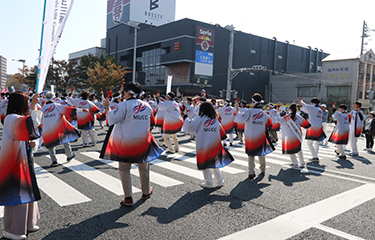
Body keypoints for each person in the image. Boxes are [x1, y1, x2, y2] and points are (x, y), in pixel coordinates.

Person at [100, 83, 164, 207]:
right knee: (144, 168)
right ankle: (145, 192)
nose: (123, 94)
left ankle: (128, 197)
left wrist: (107, 106)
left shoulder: (123, 105)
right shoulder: (147, 106)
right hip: (143, 141)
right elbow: (151, 123)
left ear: (129, 93)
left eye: (124, 92)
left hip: (126, 142)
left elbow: (111, 120)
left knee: (124, 169)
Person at [0, 92, 41, 240]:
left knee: (28, 189)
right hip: (14, 161)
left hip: (24, 158)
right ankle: (13, 230)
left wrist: (31, 145)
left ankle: (29, 222)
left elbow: (31, 133)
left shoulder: (14, 118)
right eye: (26, 101)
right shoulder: (11, 118)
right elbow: (31, 128)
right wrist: (34, 106)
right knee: (17, 194)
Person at [183, 102, 234, 188]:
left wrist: (186, 118)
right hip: (215, 145)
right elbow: (222, 134)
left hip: (203, 145)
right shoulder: (215, 120)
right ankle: (220, 181)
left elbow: (188, 126)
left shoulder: (199, 119)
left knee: (205, 164)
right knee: (214, 163)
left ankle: (209, 182)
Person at [235, 93, 274, 179]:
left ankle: (251, 172)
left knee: (251, 155)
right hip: (261, 136)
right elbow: (269, 124)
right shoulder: (263, 113)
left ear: (253, 101)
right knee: (261, 154)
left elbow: (239, 119)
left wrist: (237, 108)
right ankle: (263, 170)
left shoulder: (249, 112)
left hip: (250, 136)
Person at [39, 91, 82, 167]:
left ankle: (54, 161)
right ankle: (69, 156)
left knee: (51, 146)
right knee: (65, 140)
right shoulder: (57, 106)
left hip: (47, 130)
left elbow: (37, 120)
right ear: (54, 98)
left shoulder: (42, 109)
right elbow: (70, 110)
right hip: (59, 128)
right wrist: (82, 110)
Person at [276, 104, 311, 168]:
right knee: (299, 150)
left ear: (290, 109)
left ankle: (295, 163)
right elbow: (307, 125)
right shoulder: (298, 116)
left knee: (291, 151)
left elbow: (277, 120)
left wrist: (279, 112)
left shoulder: (286, 117)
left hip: (289, 136)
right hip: (297, 135)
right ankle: (302, 163)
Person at [299, 97, 326, 162]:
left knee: (309, 143)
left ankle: (315, 156)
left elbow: (304, 105)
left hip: (312, 128)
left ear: (312, 103)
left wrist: (301, 101)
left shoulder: (312, 108)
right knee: (316, 143)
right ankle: (315, 155)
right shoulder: (319, 110)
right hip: (319, 128)